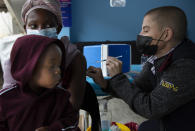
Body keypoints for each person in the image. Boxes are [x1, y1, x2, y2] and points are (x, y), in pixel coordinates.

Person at [87, 6, 195, 131]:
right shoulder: (157, 58)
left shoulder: (185, 66)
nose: (140, 35)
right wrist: (104, 83)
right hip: (165, 121)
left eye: (146, 30)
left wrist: (118, 78)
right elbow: (135, 89)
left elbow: (150, 108)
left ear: (166, 34)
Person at [0, 0, 86, 111]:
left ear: (58, 28)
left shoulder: (74, 59)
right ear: (25, 28)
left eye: (48, 25)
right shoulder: (14, 58)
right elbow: (9, 102)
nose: (40, 30)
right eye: (33, 26)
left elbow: (72, 106)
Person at [0, 35, 80, 131]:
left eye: (59, 65)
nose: (58, 71)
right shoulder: (4, 100)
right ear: (29, 67)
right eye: (52, 66)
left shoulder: (61, 97)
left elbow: (72, 121)